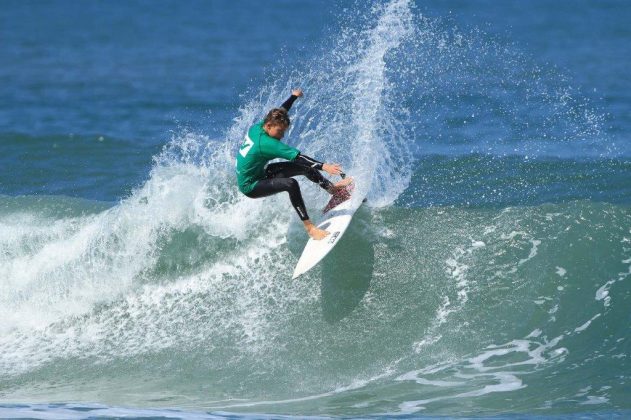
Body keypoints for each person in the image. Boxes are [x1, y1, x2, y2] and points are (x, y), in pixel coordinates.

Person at [236, 88, 352, 240]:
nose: (282, 135)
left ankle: (333, 190)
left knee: (306, 169)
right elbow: (299, 157)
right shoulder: (267, 143)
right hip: (251, 186)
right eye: (279, 131)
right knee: (291, 184)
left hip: (260, 173)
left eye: (283, 131)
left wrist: (293, 97)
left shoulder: (259, 127)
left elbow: (281, 111)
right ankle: (310, 228)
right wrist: (324, 166)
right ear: (269, 126)